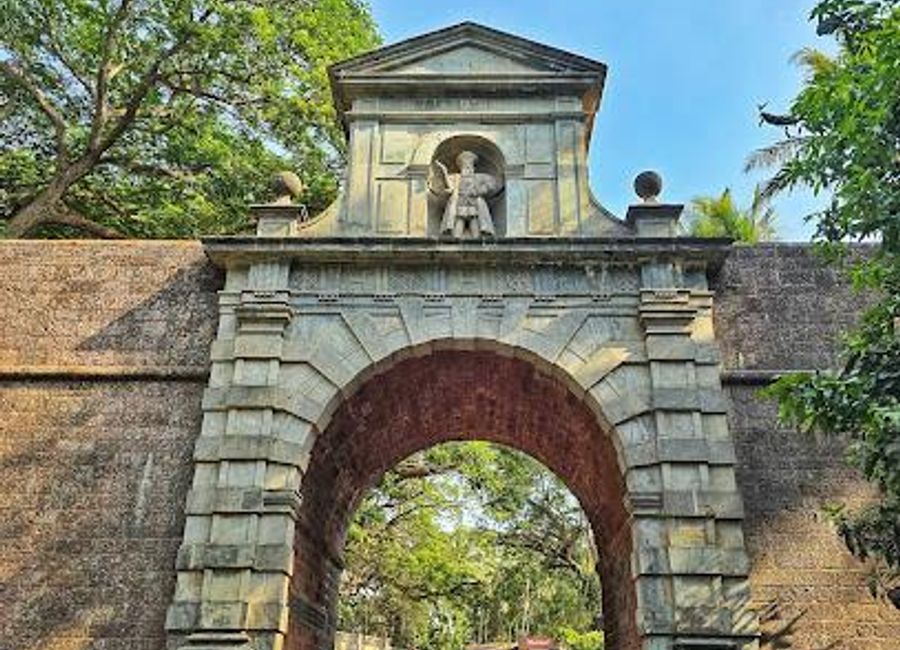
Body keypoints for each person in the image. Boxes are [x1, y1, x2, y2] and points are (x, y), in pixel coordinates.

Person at [430, 150, 502, 238]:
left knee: (476, 227)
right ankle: (455, 241)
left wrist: (479, 190)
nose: (467, 169)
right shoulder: (457, 177)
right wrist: (444, 171)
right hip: (460, 204)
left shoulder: (479, 177)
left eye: (469, 166)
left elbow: (492, 184)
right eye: (465, 167)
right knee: (457, 228)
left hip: (475, 205)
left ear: (473, 167)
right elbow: (449, 185)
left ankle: (477, 241)